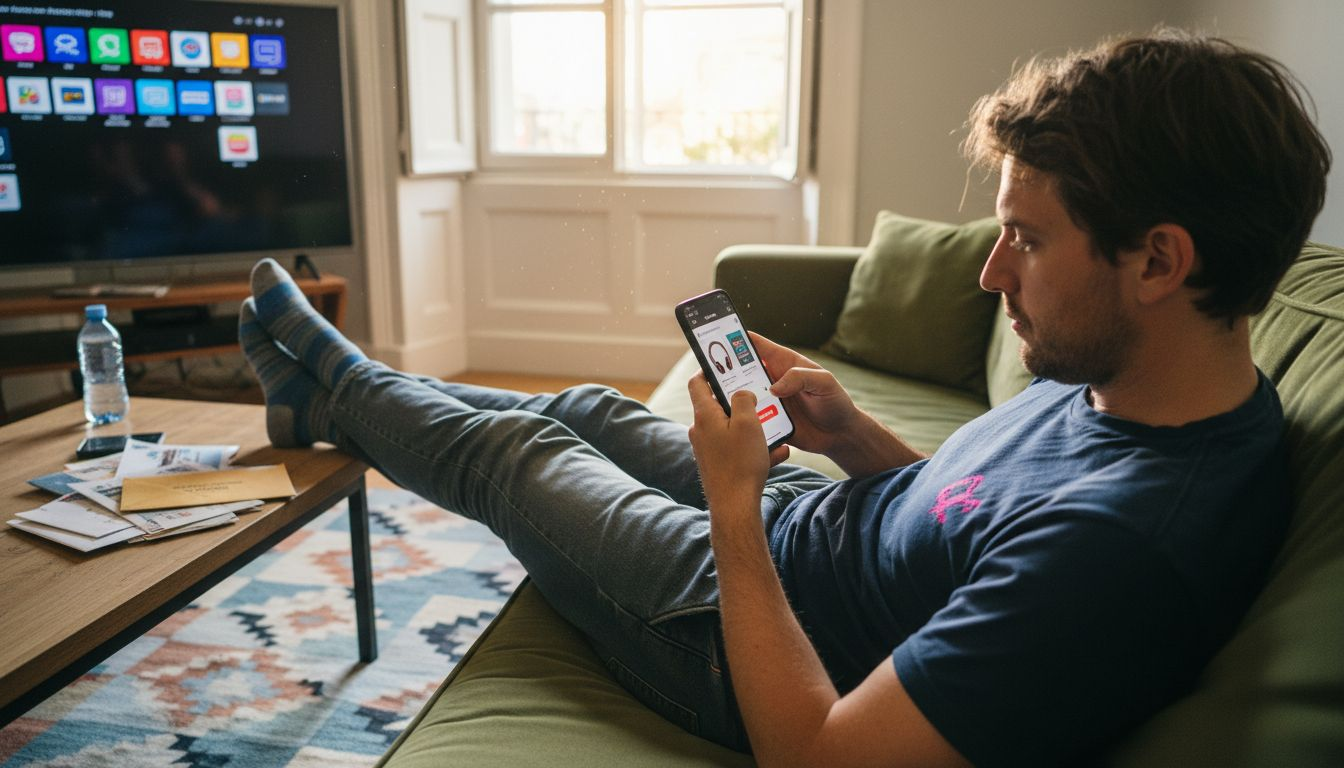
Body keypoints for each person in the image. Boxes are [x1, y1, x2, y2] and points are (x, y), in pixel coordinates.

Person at [238, 29, 1330, 768]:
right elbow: (978, 517)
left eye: (1028, 240)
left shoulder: (1126, 557)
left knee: (518, 453)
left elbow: (821, 752)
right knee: (585, 406)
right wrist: (850, 434)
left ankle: (331, 380)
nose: (993, 275)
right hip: (808, 528)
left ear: (1158, 262)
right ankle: (329, 398)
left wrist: (731, 512)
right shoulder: (1140, 387)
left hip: (735, 635)